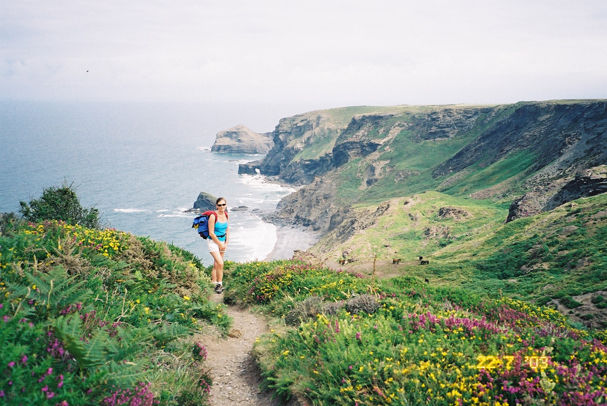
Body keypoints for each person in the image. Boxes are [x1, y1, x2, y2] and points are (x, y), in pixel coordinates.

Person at [208, 197, 229, 294]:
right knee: (220, 263)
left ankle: (213, 282)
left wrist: (226, 243)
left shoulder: (226, 215)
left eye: (223, 204)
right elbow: (211, 233)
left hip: (222, 242)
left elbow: (227, 230)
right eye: (220, 205)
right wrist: (220, 244)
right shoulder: (213, 216)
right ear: (216, 206)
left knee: (216, 264)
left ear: (226, 205)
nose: (222, 207)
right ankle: (219, 285)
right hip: (213, 242)